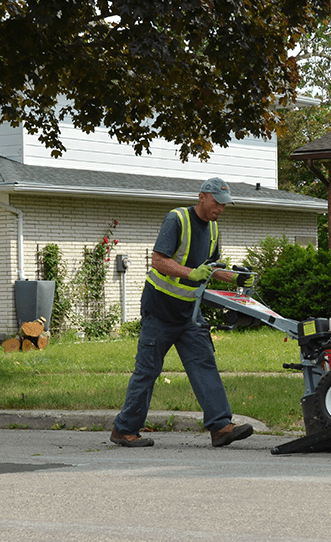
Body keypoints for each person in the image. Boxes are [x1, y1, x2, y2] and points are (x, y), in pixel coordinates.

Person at [111, 177, 254, 448]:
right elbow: (158, 261)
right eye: (217, 203)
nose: (220, 209)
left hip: (189, 314)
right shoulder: (177, 219)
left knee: (204, 364)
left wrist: (235, 278)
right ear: (202, 197)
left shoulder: (213, 229)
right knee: (148, 371)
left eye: (225, 205)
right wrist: (191, 273)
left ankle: (221, 426)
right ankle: (124, 430)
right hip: (160, 310)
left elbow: (210, 268)